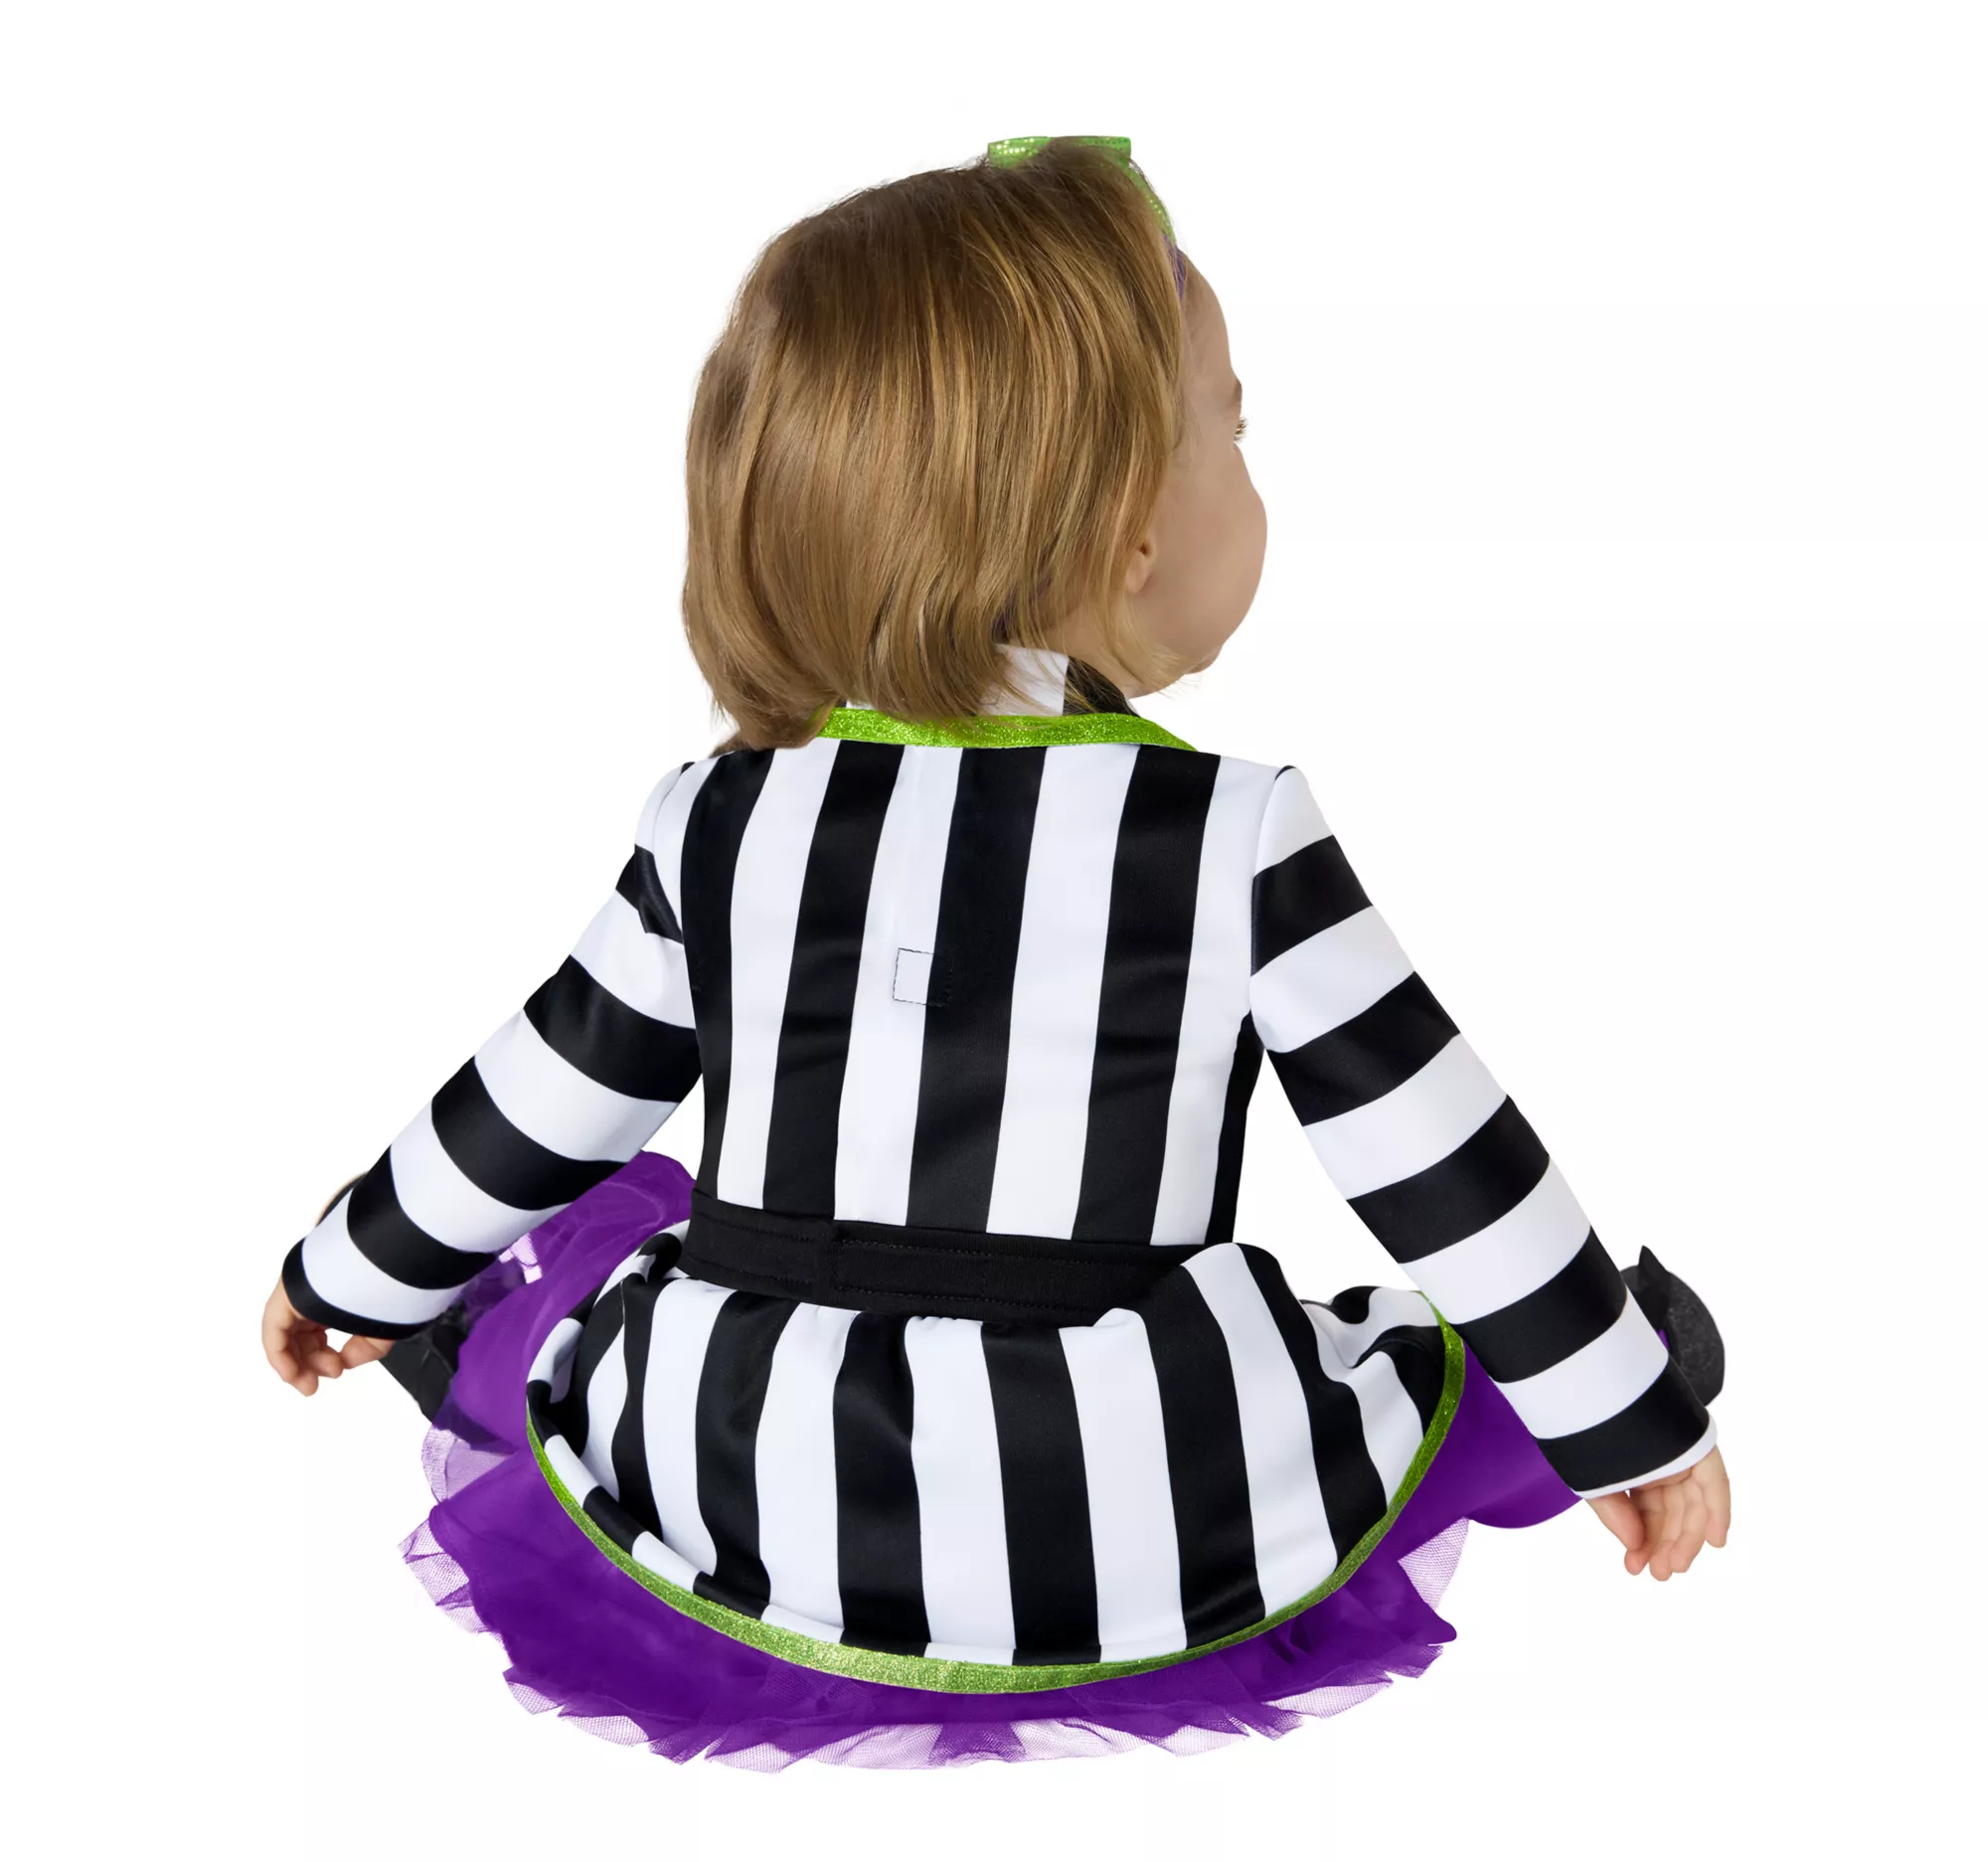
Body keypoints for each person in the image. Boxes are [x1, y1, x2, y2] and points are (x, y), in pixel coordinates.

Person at [263, 135, 1731, 1769]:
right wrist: (1635, 1422)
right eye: (1233, 431)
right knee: (1431, 1382)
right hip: (1123, 1511)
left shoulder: (724, 815)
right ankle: (1620, 1382)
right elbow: (1439, 1158)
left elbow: (543, 1096)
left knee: (574, 1299)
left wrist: (348, 1272)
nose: (1252, 470)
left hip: (754, 1495)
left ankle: (448, 1339)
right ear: (1130, 532)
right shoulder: (1230, 831)